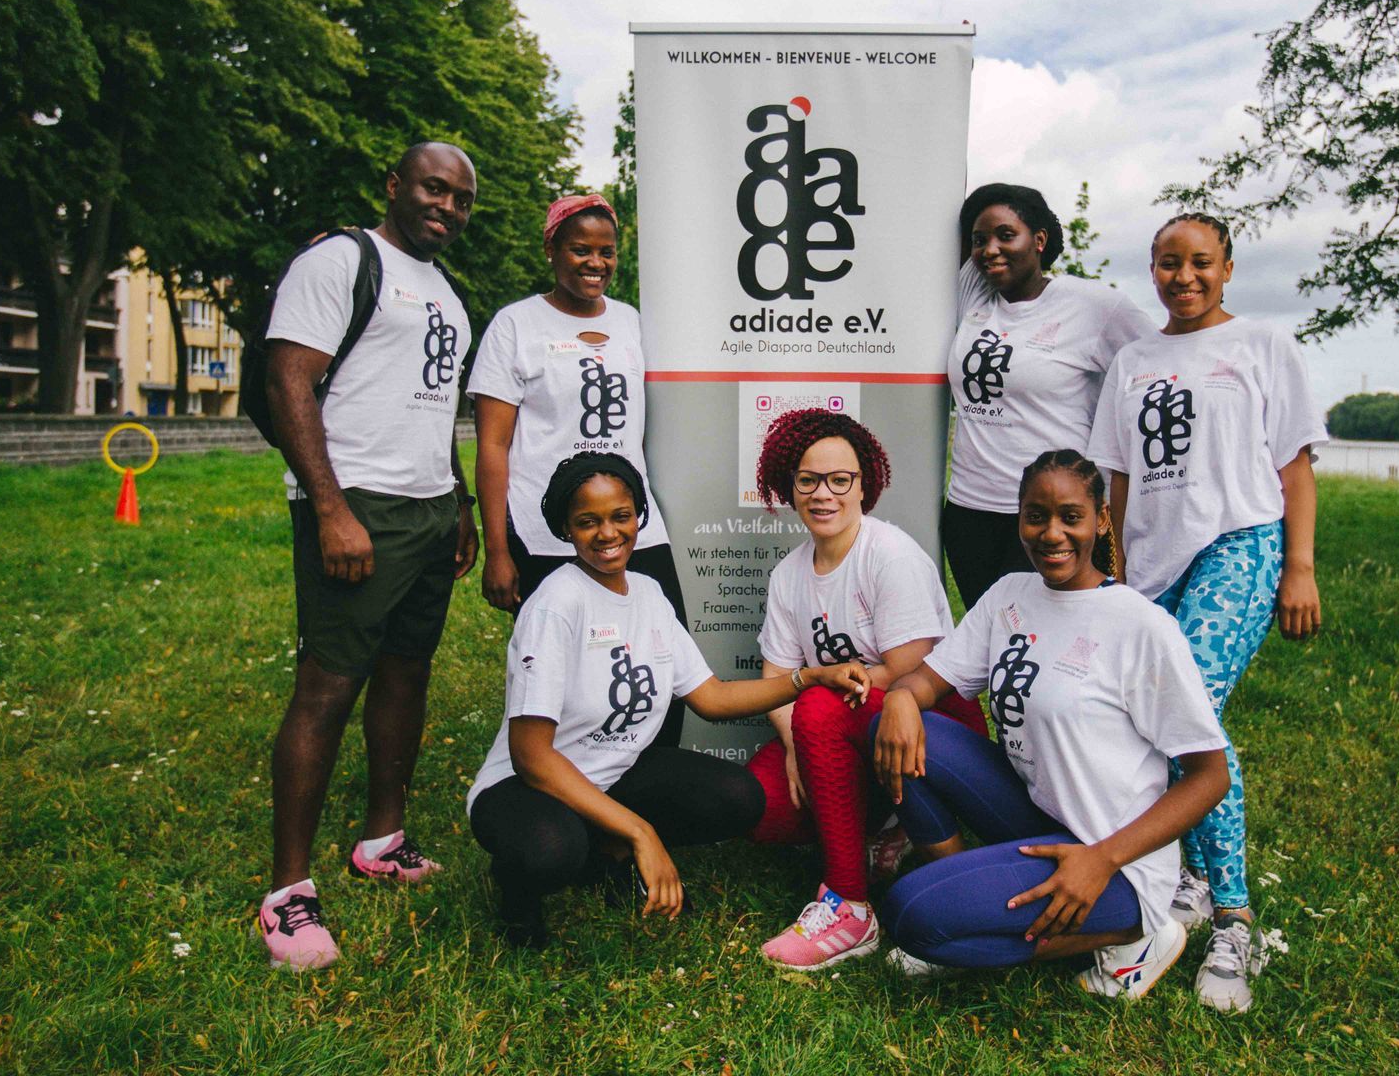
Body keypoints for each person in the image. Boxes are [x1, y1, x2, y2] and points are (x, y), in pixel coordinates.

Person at [467, 452, 873, 950]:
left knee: (738, 797)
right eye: (587, 522)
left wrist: (809, 677)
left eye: (620, 516)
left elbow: (713, 697)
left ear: (638, 515)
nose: (608, 533)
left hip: (611, 774)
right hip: (528, 786)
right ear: (566, 530)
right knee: (551, 851)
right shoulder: (555, 604)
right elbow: (531, 756)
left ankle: (607, 855)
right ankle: (518, 893)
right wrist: (643, 832)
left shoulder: (648, 593)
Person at [871, 451, 1230, 998]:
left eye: (1071, 516)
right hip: (1039, 818)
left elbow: (1210, 777)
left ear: (1101, 520)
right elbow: (927, 682)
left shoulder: (1141, 626)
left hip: (1116, 862)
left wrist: (1102, 858)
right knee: (906, 732)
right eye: (1036, 516)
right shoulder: (1009, 596)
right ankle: (980, 899)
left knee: (911, 915)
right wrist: (899, 698)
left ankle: (1135, 935)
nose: (1052, 533)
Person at [1087, 211, 1328, 1012]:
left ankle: (1232, 918)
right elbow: (1116, 477)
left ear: (1227, 267)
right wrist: (1111, 570)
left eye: (1199, 263)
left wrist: (1299, 567)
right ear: (1150, 270)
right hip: (1152, 563)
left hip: (1240, 542)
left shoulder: (1262, 347)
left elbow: (1293, 468)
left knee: (1192, 718)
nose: (1182, 277)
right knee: (1160, 724)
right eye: (1166, 263)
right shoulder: (1133, 361)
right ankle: (1188, 877)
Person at [257, 142, 480, 972]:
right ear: (394, 186)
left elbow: (432, 408)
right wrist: (329, 508)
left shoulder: (448, 293)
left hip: (425, 510)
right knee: (328, 683)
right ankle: (287, 893)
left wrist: (455, 499)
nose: (447, 207)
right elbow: (289, 383)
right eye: (433, 188)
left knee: (405, 671)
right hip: (358, 508)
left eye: (461, 199)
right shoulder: (341, 261)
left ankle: (380, 839)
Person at [742, 409, 989, 970]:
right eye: (808, 480)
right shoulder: (789, 574)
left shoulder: (888, 553)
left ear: (863, 485)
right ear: (789, 485)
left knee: (821, 703)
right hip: (840, 730)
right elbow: (774, 680)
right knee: (762, 808)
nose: (823, 494)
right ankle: (885, 826)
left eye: (840, 480)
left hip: (934, 729)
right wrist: (793, 749)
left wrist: (820, 696)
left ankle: (849, 904)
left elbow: (912, 666)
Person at [470, 194, 682, 621]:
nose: (596, 263)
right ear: (551, 250)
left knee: (660, 639)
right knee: (561, 656)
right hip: (546, 530)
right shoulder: (515, 325)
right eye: (581, 250)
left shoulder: (630, 322)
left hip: (630, 523)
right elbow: (492, 446)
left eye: (607, 252)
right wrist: (497, 551)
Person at [944, 184, 1155, 609]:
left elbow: (1157, 368)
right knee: (996, 649)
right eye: (980, 241)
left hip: (1055, 515)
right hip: (970, 513)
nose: (990, 250)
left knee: (1051, 646)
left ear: (1039, 240)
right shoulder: (975, 295)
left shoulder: (1095, 306)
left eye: (1007, 235)